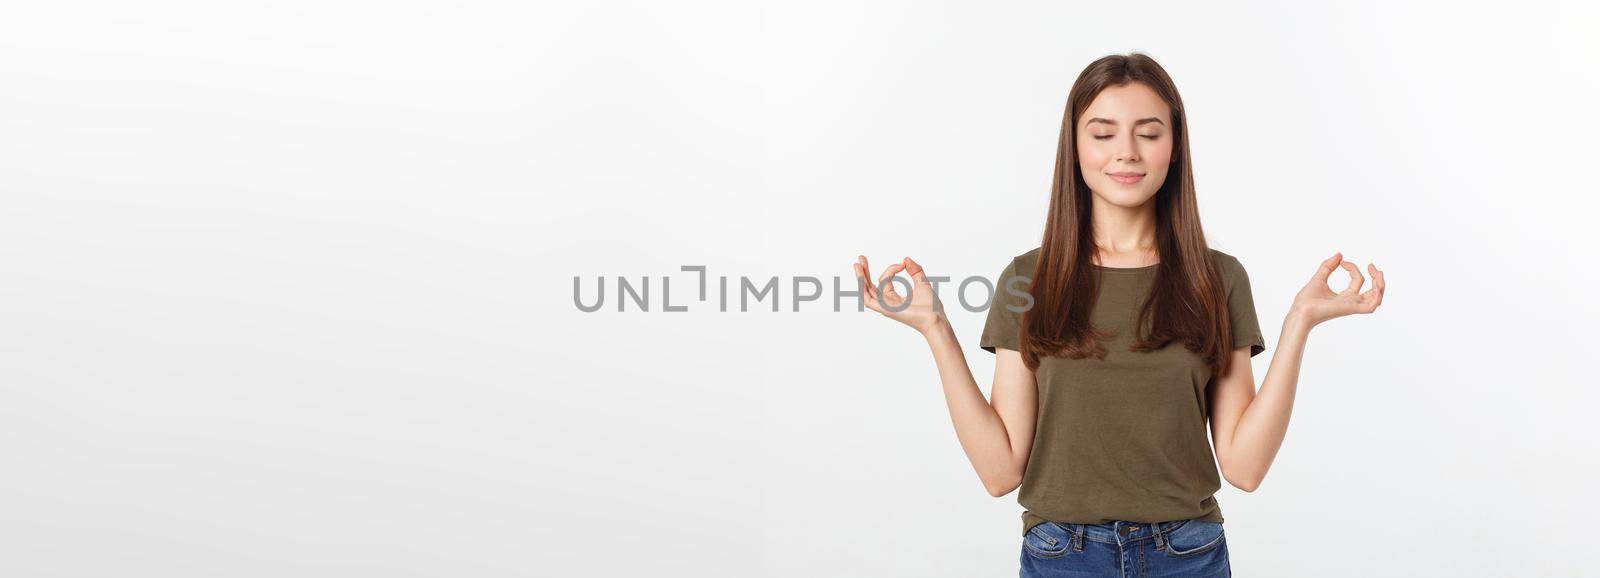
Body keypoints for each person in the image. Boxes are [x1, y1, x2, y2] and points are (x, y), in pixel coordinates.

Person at [850, 52, 1386, 577]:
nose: (1126, 152)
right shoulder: (1027, 279)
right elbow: (999, 470)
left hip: (1188, 555)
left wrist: (1299, 324)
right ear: (1075, 148)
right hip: (1061, 554)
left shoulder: (1216, 278)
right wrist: (935, 328)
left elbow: (1244, 468)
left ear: (1174, 148)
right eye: (1103, 134)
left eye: (1148, 134)